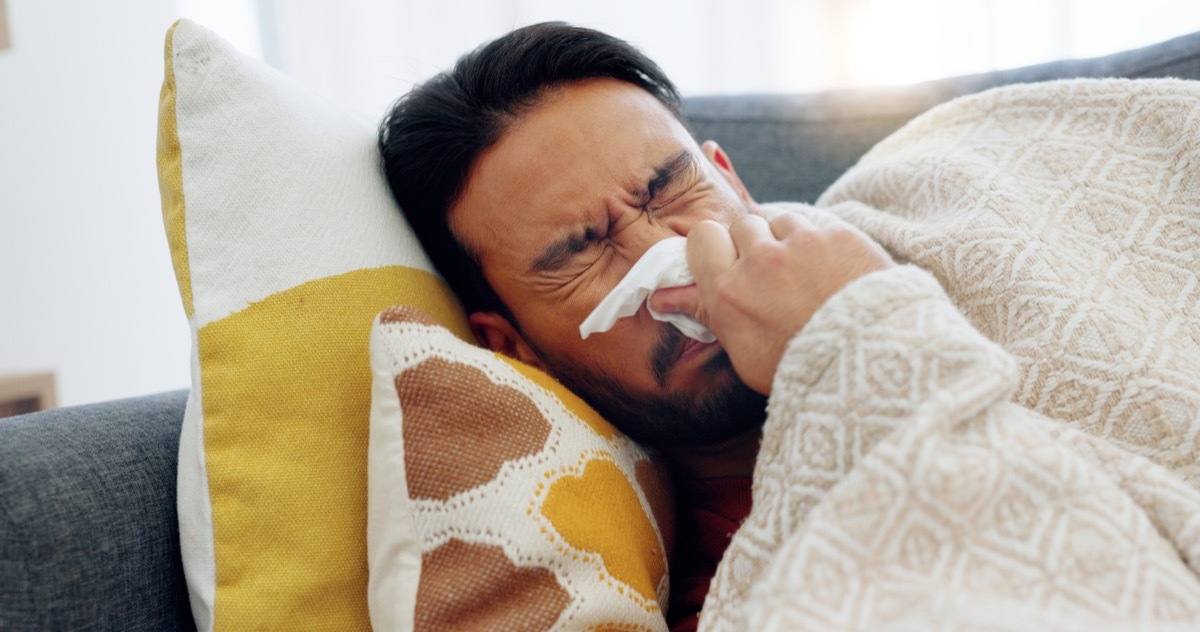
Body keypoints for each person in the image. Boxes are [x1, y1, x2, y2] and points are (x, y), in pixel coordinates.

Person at [377, 21, 894, 628]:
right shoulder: (735, 594)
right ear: (515, 347)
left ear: (732, 182)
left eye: (666, 190)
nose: (673, 268)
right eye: (582, 248)